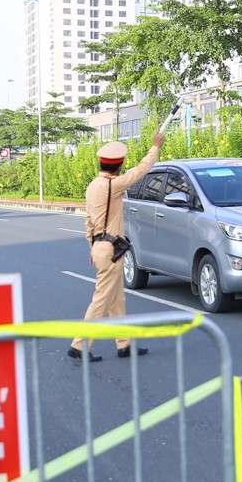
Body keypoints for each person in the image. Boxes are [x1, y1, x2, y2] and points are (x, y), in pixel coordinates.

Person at [66, 131, 166, 362]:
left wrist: (92, 246)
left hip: (101, 247)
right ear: (119, 167)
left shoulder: (92, 187)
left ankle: (124, 345)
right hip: (111, 250)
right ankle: (79, 345)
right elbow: (140, 172)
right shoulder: (113, 186)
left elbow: (89, 221)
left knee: (116, 298)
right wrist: (155, 148)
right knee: (102, 300)